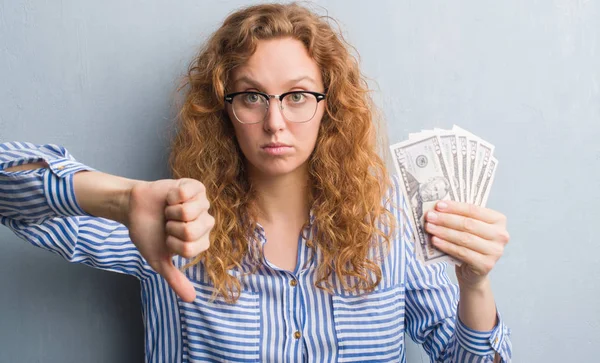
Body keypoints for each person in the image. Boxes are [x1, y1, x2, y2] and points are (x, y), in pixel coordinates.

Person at [0, 3, 512, 362]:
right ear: (222, 109)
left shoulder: (393, 222)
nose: (275, 123)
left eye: (296, 96)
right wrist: (121, 197)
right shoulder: (169, 221)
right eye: (251, 96)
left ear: (328, 105)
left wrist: (475, 285)